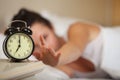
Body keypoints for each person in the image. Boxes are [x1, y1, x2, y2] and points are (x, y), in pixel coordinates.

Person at [10, 8, 120, 79]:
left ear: (52, 27)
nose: (45, 47)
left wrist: (56, 60)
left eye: (45, 37)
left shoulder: (77, 29)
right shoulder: (53, 67)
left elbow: (75, 48)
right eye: (35, 46)